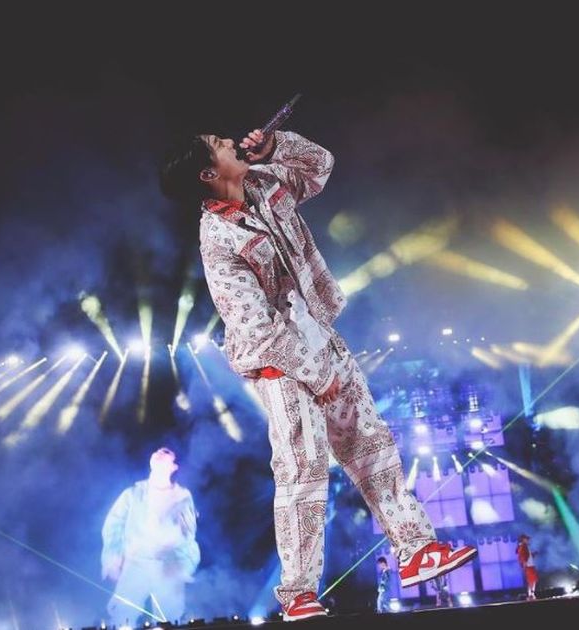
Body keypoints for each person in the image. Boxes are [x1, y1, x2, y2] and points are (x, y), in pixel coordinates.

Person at [160, 125, 476, 621]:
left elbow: (320, 168)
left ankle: (416, 549)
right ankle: (298, 593)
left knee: (371, 444)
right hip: (278, 363)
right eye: (220, 145)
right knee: (303, 466)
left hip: (319, 335)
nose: (232, 143)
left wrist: (277, 145)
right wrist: (318, 373)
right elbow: (256, 327)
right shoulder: (217, 240)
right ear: (207, 173)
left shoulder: (265, 181)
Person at [101, 447, 199, 626]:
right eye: (157, 452)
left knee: (170, 619)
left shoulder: (182, 496)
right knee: (122, 615)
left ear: (174, 466)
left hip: (168, 566)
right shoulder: (133, 493)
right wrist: (113, 554)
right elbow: (113, 523)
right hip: (136, 563)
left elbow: (188, 533)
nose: (161, 452)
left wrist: (183, 564)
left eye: (166, 453)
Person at [516, 534, 537, 600]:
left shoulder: (525, 546)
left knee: (532, 580)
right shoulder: (523, 546)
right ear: (523, 539)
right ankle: (531, 594)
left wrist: (533, 554)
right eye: (527, 539)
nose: (528, 540)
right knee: (532, 580)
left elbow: (527, 556)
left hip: (530, 565)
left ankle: (531, 594)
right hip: (528, 566)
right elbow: (522, 556)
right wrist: (524, 563)